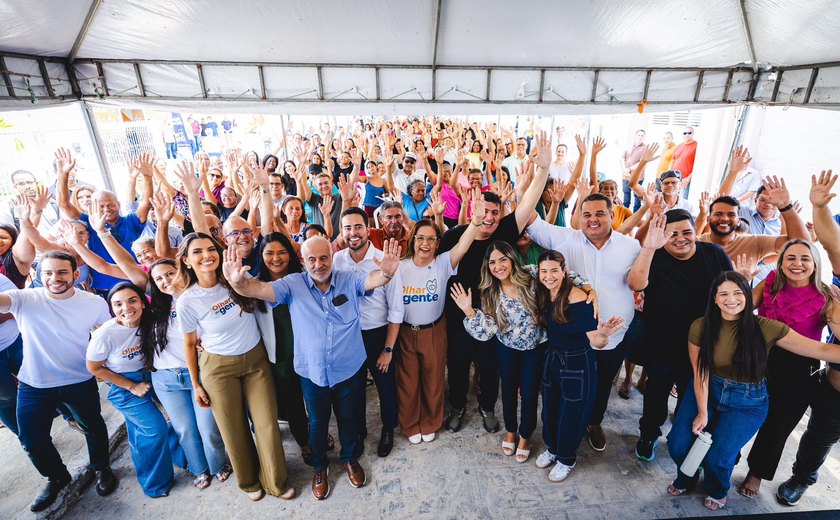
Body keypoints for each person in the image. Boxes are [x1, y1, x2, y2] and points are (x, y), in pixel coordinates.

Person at [224, 235, 401, 500]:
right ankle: (320, 467)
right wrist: (238, 282)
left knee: (349, 417)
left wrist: (386, 273)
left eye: (323, 258)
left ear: (332, 256)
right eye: (311, 259)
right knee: (317, 423)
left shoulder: (348, 278)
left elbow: (372, 280)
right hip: (312, 370)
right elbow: (257, 289)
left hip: (349, 367)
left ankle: (350, 458)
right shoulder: (292, 284)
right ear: (303, 261)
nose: (318, 264)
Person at [666, 271, 840, 511]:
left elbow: (820, 350)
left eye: (738, 293)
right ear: (714, 299)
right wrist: (702, 412)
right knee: (677, 442)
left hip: (747, 402)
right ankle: (687, 476)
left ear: (748, 296)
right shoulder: (701, 326)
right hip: (708, 390)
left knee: (720, 457)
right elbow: (701, 373)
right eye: (724, 294)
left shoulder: (766, 327)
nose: (731, 299)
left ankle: (717, 490)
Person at [441, 131, 553, 435]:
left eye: (494, 212)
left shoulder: (504, 231)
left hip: (495, 316)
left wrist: (542, 170)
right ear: (471, 209)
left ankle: (488, 407)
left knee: (490, 369)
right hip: (457, 315)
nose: (488, 217)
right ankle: (458, 406)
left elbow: (528, 204)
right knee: (459, 366)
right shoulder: (454, 235)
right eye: (483, 211)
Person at [176, 232, 295, 502]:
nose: (206, 255)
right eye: (197, 252)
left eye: (211, 249)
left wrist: (239, 279)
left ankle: (276, 482)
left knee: (266, 424)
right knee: (233, 428)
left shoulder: (235, 278)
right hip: (218, 368)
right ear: (186, 260)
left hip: (256, 361)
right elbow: (189, 344)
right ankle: (250, 482)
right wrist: (196, 385)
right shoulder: (187, 301)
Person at [0, 250, 118, 512]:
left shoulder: (93, 303)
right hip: (34, 385)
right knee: (31, 440)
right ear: (39, 276)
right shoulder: (24, 299)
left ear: (75, 274)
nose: (55, 278)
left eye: (62, 272)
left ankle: (101, 468)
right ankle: (57, 477)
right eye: (48, 273)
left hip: (80, 380)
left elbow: (109, 334)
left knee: (93, 426)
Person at [526, 190, 641, 452]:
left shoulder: (630, 246)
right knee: (570, 388)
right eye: (586, 214)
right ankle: (567, 433)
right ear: (577, 217)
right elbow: (531, 220)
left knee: (602, 385)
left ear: (612, 215)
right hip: (575, 338)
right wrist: (534, 178)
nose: (593, 219)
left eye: (600, 213)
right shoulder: (566, 238)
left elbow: (639, 281)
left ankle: (595, 423)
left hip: (613, 335)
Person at [628, 210, 733, 462]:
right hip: (662, 341)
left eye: (686, 232)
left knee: (693, 397)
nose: (680, 238)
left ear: (696, 231)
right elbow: (635, 284)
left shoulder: (714, 254)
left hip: (702, 344)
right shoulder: (655, 255)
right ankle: (648, 435)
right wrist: (650, 248)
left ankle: (686, 441)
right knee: (655, 394)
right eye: (671, 234)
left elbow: (731, 288)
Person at [738, 240, 831, 497]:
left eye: (804, 258)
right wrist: (744, 281)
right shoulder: (770, 282)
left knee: (778, 424)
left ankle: (756, 473)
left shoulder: (826, 294)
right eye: (790, 258)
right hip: (759, 357)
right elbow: (743, 309)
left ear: (815, 264)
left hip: (800, 365)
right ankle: (725, 459)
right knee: (738, 412)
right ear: (781, 262)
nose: (797, 264)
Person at [398, 192, 484, 445]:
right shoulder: (400, 266)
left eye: (431, 239)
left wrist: (476, 222)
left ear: (438, 244)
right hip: (405, 332)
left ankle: (431, 422)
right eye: (421, 238)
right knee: (408, 381)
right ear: (413, 240)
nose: (425, 243)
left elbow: (463, 245)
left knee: (434, 379)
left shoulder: (443, 263)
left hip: (434, 330)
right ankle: (411, 423)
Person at [775, 171, 840, 506]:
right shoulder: (831, 296)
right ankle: (801, 478)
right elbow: (831, 243)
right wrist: (819, 207)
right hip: (834, 392)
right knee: (818, 439)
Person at [86, 283, 186, 497]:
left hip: (154, 374)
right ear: (111, 308)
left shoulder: (150, 320)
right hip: (124, 385)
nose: (126, 308)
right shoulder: (105, 334)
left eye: (132, 300)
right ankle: (155, 484)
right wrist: (131, 386)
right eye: (118, 304)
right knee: (153, 428)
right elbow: (94, 368)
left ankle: (183, 458)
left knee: (176, 418)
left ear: (142, 302)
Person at [533, 250, 624, 482]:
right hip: (553, 357)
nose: (549, 276)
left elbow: (597, 341)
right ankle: (552, 448)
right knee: (550, 408)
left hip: (577, 361)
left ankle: (566, 458)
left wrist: (604, 334)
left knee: (572, 413)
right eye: (544, 271)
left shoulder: (578, 298)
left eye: (554, 270)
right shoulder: (544, 294)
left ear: (565, 271)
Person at [333, 208, 404, 457]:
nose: (353, 233)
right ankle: (359, 431)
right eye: (347, 228)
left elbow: (396, 310)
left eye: (358, 227)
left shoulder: (384, 260)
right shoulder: (336, 261)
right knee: (353, 389)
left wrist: (388, 349)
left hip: (378, 335)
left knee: (386, 387)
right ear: (342, 231)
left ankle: (388, 429)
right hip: (349, 337)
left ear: (368, 229)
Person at [253, 233, 317, 465]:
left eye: (282, 252)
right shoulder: (255, 285)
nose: (276, 258)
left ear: (290, 255)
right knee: (292, 402)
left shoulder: (303, 279)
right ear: (261, 256)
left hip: (308, 351)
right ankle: (303, 441)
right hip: (279, 357)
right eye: (269, 253)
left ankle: (318, 432)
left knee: (314, 399)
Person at [56, 148, 152, 294]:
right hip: (106, 288)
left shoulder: (131, 221)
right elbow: (64, 204)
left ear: (118, 205)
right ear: (93, 207)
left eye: (111, 204)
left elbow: (146, 203)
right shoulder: (89, 222)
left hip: (137, 283)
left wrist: (147, 177)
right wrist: (63, 175)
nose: (106, 209)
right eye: (101, 206)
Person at [0, 273, 21, 434]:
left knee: (43, 381)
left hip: (15, 342)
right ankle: (26, 439)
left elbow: (17, 306)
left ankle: (70, 417)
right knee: (6, 399)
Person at [621, 129, 647, 211]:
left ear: (644, 137)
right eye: (639, 135)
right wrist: (624, 169)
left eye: (642, 135)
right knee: (626, 195)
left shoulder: (645, 148)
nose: (640, 137)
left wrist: (629, 169)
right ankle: (625, 214)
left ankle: (635, 216)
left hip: (637, 177)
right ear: (635, 136)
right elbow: (622, 158)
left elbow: (642, 162)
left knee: (637, 197)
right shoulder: (628, 146)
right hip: (626, 176)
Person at [670, 127, 697, 198]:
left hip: (685, 180)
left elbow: (697, 166)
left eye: (689, 133)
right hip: (674, 178)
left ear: (693, 133)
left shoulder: (696, 146)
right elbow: (672, 161)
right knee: (672, 199)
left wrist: (688, 178)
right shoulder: (678, 146)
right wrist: (669, 174)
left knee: (682, 202)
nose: (687, 135)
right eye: (685, 133)